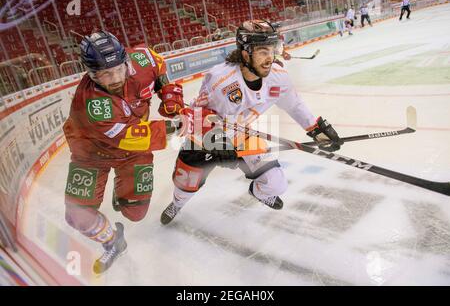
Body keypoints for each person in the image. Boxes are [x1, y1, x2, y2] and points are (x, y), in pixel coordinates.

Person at [159, 20, 343, 225]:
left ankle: (260, 193)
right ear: (246, 54)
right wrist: (217, 140)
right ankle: (177, 204)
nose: (270, 59)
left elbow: (294, 104)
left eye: (273, 51)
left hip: (241, 136)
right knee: (185, 187)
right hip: (202, 141)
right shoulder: (221, 80)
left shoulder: (278, 76)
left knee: (276, 183)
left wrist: (316, 128)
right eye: (263, 52)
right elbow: (196, 113)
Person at [63, 31, 185, 274]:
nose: (115, 77)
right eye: (106, 74)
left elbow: (157, 62)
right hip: (91, 154)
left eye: (119, 69)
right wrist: (176, 124)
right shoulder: (90, 102)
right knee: (76, 215)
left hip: (132, 154)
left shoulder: (141, 59)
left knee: (136, 213)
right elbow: (128, 137)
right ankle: (113, 241)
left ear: (126, 60)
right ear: (91, 74)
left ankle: (122, 196)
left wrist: (168, 93)